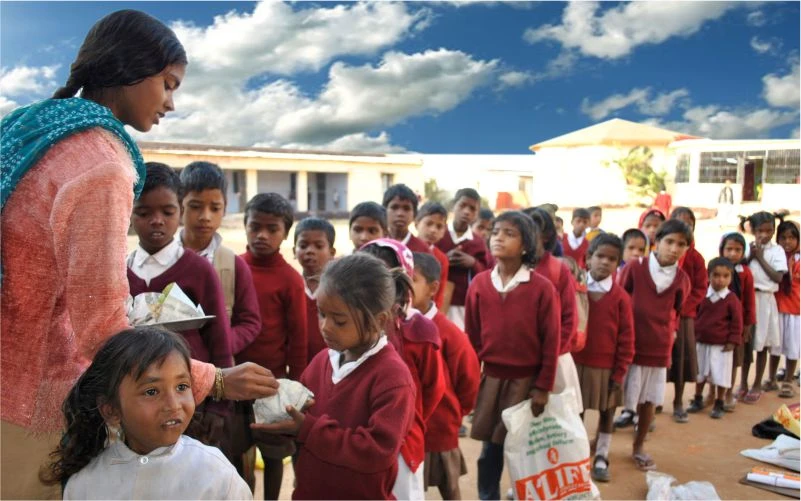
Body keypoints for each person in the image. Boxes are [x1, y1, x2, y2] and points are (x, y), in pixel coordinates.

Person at [0, 10, 276, 498]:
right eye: (167, 84)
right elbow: (101, 330)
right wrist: (212, 381)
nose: (170, 102)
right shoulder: (100, 163)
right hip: (29, 399)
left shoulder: (34, 129)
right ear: (128, 69)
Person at [252, 254, 416, 500]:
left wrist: (307, 429)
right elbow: (303, 416)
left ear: (379, 320)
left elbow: (377, 452)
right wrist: (280, 421)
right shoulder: (323, 361)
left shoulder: (393, 378)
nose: (325, 327)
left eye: (339, 321)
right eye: (321, 314)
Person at [41, 327, 251, 500]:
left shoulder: (216, 476)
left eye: (182, 387)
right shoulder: (86, 483)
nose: (173, 405)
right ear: (111, 410)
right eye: (151, 392)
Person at [127, 162, 234, 455]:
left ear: (180, 211)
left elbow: (220, 342)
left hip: (193, 404)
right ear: (129, 213)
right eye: (144, 212)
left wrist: (219, 408)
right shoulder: (120, 271)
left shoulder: (199, 270)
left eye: (168, 212)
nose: (157, 221)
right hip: (138, 405)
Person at [464, 211, 560, 501]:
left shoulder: (542, 288)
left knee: (525, 451)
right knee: (490, 451)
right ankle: (488, 497)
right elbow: (472, 338)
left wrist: (542, 387)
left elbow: (551, 342)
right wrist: (472, 381)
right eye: (495, 232)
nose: (499, 238)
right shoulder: (480, 284)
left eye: (509, 233)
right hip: (492, 380)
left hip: (526, 383)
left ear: (526, 245)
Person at [360, 239, 445, 501]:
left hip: (402, 443)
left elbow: (433, 389)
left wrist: (407, 418)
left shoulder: (418, 331)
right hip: (356, 439)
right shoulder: (348, 325)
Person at [238, 193, 308, 500]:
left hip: (272, 383)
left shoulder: (290, 279)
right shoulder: (234, 268)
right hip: (234, 378)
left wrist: (294, 386)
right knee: (237, 453)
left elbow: (298, 338)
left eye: (272, 229)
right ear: (245, 226)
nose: (262, 235)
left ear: (285, 233)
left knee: (274, 455)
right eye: (255, 227)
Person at [617, 219, 691, 471]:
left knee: (648, 399)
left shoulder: (681, 279)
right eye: (669, 242)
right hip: (628, 343)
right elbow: (620, 296)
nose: (674, 248)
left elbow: (677, 310)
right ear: (657, 242)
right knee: (613, 395)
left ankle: (638, 446)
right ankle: (601, 443)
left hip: (658, 346)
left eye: (681, 244)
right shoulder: (635, 268)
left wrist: (670, 332)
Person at [412, 252, 480, 500]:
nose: (402, 287)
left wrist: (456, 413)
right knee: (410, 486)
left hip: (441, 425)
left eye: (412, 279)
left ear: (433, 289)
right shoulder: (395, 326)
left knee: (449, 486)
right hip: (409, 427)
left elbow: (469, 379)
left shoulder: (449, 333)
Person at [178, 161, 261, 357]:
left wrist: (223, 344)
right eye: (195, 206)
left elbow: (250, 322)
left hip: (217, 367)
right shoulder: (162, 259)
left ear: (224, 209)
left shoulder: (233, 265)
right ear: (180, 205)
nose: (205, 216)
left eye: (215, 208)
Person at [572, 234, 634, 483]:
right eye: (600, 256)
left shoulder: (620, 297)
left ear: (618, 263)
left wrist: (620, 373)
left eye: (612, 259)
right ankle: (576, 458)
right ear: (588, 259)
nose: (605, 262)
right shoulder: (576, 290)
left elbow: (627, 338)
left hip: (607, 367)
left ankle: (601, 456)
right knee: (575, 413)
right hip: (576, 364)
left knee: (607, 412)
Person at [527, 208, 582, 411]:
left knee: (556, 420)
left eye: (532, 230)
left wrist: (550, 355)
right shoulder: (511, 268)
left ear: (546, 236)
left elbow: (569, 318)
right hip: (520, 362)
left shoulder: (558, 270)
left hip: (554, 362)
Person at [739, 212, 788, 402]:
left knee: (763, 345)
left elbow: (778, 277)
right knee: (746, 343)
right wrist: (750, 256)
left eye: (769, 231)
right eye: (760, 231)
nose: (765, 235)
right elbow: (738, 268)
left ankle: (757, 384)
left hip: (766, 300)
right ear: (753, 230)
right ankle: (743, 383)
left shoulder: (777, 251)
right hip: (748, 299)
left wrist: (759, 258)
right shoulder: (746, 247)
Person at [687, 258, 743, 419]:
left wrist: (732, 341)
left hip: (722, 345)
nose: (720, 280)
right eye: (716, 275)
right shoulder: (703, 295)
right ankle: (698, 398)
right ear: (708, 275)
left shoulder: (731, 299)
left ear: (731, 278)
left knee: (721, 375)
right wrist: (693, 334)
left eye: (725, 276)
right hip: (701, 341)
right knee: (700, 372)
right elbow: (694, 314)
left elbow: (737, 322)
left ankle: (719, 402)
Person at [668, 207, 707, 424]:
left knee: (680, 361)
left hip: (684, 317)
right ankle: (651, 402)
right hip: (660, 315)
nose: (684, 227)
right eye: (679, 222)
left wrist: (682, 308)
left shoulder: (695, 258)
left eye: (689, 224)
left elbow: (700, 287)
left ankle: (678, 401)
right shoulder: (659, 254)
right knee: (655, 361)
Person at [436, 188, 491, 330]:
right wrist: (444, 260)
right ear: (453, 205)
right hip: (437, 299)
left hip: (463, 304)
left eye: (472, 209)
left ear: (476, 214)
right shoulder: (440, 234)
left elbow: (486, 272)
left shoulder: (477, 242)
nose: (466, 212)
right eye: (462, 205)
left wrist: (473, 263)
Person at [719, 233, 756, 408]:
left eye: (737, 250)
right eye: (729, 249)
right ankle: (712, 394)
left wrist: (747, 325)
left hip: (736, 324)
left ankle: (728, 394)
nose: (733, 253)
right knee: (715, 359)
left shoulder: (745, 272)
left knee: (733, 362)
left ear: (743, 252)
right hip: (717, 322)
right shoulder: (716, 268)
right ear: (722, 250)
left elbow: (749, 301)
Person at [293, 217, 337, 363]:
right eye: (303, 245)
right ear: (294, 251)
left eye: (318, 246)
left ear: (331, 252)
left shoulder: (337, 289)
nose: (310, 251)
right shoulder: (291, 285)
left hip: (330, 362)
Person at [771, 220, 800, 398]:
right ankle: (771, 378)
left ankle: (788, 379)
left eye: (792, 237)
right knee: (775, 345)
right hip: (778, 306)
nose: (787, 241)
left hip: (796, 308)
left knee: (792, 346)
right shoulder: (776, 256)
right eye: (783, 237)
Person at [415, 201, 452, 310]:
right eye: (429, 223)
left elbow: (439, 293)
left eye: (439, 226)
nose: (433, 230)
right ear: (417, 223)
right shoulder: (406, 249)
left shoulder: (442, 259)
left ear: (444, 231)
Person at [383, 183, 431, 253]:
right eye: (394, 207)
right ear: (384, 210)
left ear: (414, 214)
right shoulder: (376, 245)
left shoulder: (423, 250)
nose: (400, 213)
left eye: (406, 208)